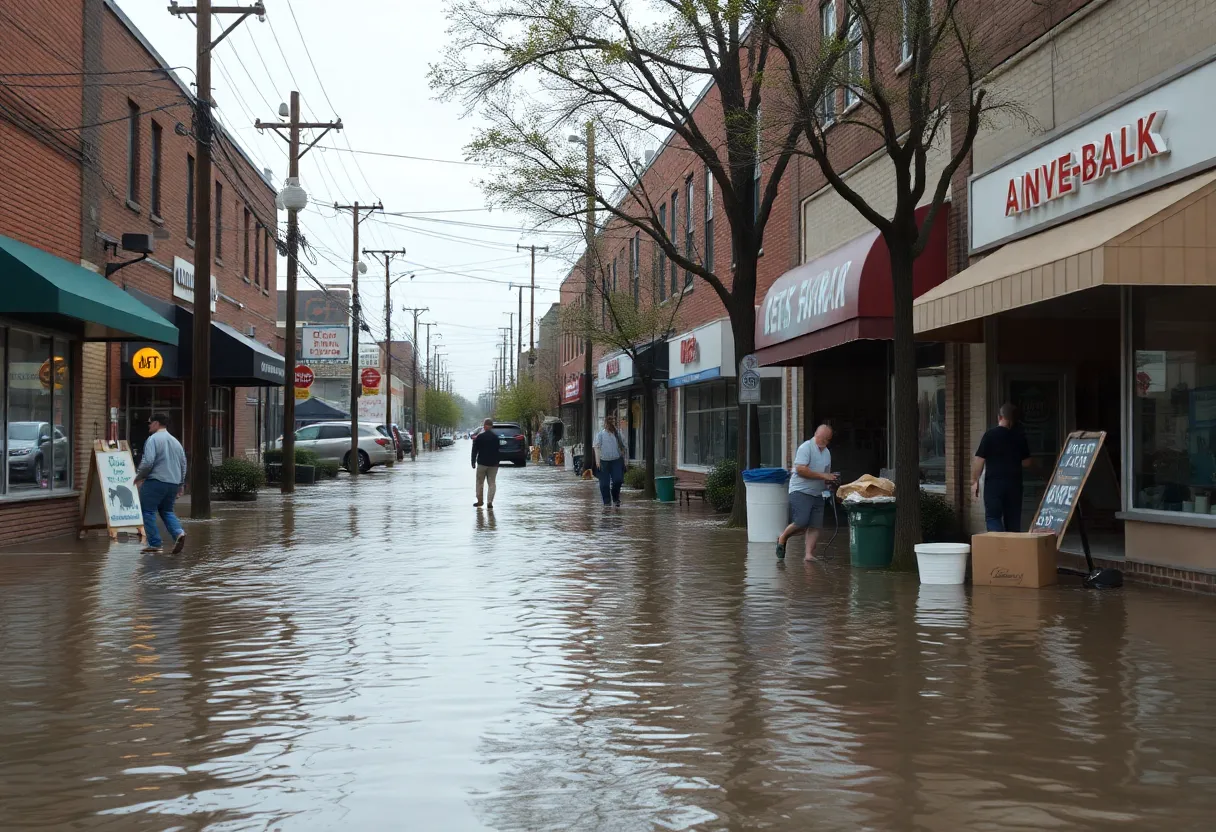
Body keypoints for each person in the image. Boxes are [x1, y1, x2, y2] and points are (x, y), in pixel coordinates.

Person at [776, 424, 838, 562]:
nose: (823, 441)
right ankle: (782, 538)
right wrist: (823, 476)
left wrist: (830, 481)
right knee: (801, 521)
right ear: (816, 434)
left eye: (827, 439)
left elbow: (826, 473)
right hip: (800, 490)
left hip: (818, 493)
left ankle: (809, 554)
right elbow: (801, 470)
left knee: (815, 525)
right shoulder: (806, 448)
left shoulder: (827, 453)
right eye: (821, 438)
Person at [972, 402, 1032, 532]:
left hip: (994, 484)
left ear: (999, 417)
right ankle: (1012, 550)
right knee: (1013, 520)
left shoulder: (990, 435)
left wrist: (974, 481)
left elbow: (979, 461)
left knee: (993, 518)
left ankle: (998, 548)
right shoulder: (1020, 436)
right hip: (1014, 484)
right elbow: (1027, 462)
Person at [134, 412, 188, 555]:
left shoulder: (153, 439)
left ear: (156, 423)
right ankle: (179, 533)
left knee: (148, 511)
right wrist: (180, 484)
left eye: (149, 423)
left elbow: (148, 462)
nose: (148, 426)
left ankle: (155, 544)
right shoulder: (175, 441)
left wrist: (138, 476)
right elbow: (183, 463)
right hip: (173, 483)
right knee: (167, 510)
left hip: (155, 482)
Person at [593, 414, 627, 507]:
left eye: (614, 422)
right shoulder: (600, 434)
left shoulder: (618, 433)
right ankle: (607, 501)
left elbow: (623, 448)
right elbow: (596, 447)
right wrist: (597, 461)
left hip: (616, 460)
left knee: (618, 480)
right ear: (606, 424)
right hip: (604, 461)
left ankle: (615, 497)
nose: (612, 425)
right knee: (604, 484)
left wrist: (624, 461)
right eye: (610, 423)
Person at [471, 417, 501, 508]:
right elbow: (498, 451)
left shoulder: (480, 437)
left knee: (480, 482)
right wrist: (498, 461)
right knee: (492, 483)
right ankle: (490, 502)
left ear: (484, 426)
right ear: (492, 426)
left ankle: (480, 501)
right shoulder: (496, 438)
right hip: (493, 464)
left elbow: (474, 450)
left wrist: (473, 461)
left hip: (482, 463)